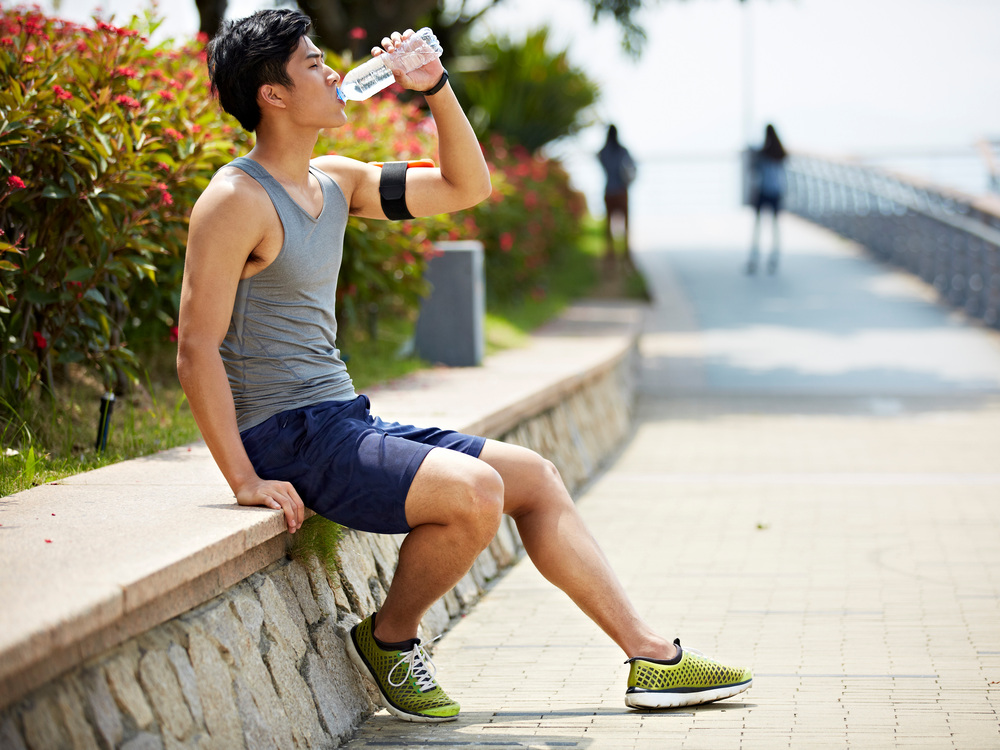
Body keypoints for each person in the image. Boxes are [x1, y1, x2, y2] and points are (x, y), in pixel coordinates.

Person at [177, 9, 752, 724]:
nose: (333, 72)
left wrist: (435, 86)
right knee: (477, 491)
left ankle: (649, 657)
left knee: (534, 479)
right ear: (273, 94)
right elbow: (196, 346)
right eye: (313, 63)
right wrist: (244, 478)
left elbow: (464, 188)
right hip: (287, 435)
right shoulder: (235, 200)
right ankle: (391, 639)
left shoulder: (334, 182)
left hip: (341, 421)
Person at [746, 123, 787, 275]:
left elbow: (754, 171)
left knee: (758, 226)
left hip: (763, 192)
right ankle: (774, 257)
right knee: (775, 226)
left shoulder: (762, 154)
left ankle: (754, 258)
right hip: (776, 192)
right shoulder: (780, 153)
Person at [597, 124, 637, 270]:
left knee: (608, 226)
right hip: (621, 191)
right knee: (626, 225)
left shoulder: (603, 152)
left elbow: (600, 162)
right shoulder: (623, 150)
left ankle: (610, 256)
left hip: (609, 191)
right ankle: (626, 255)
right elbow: (633, 167)